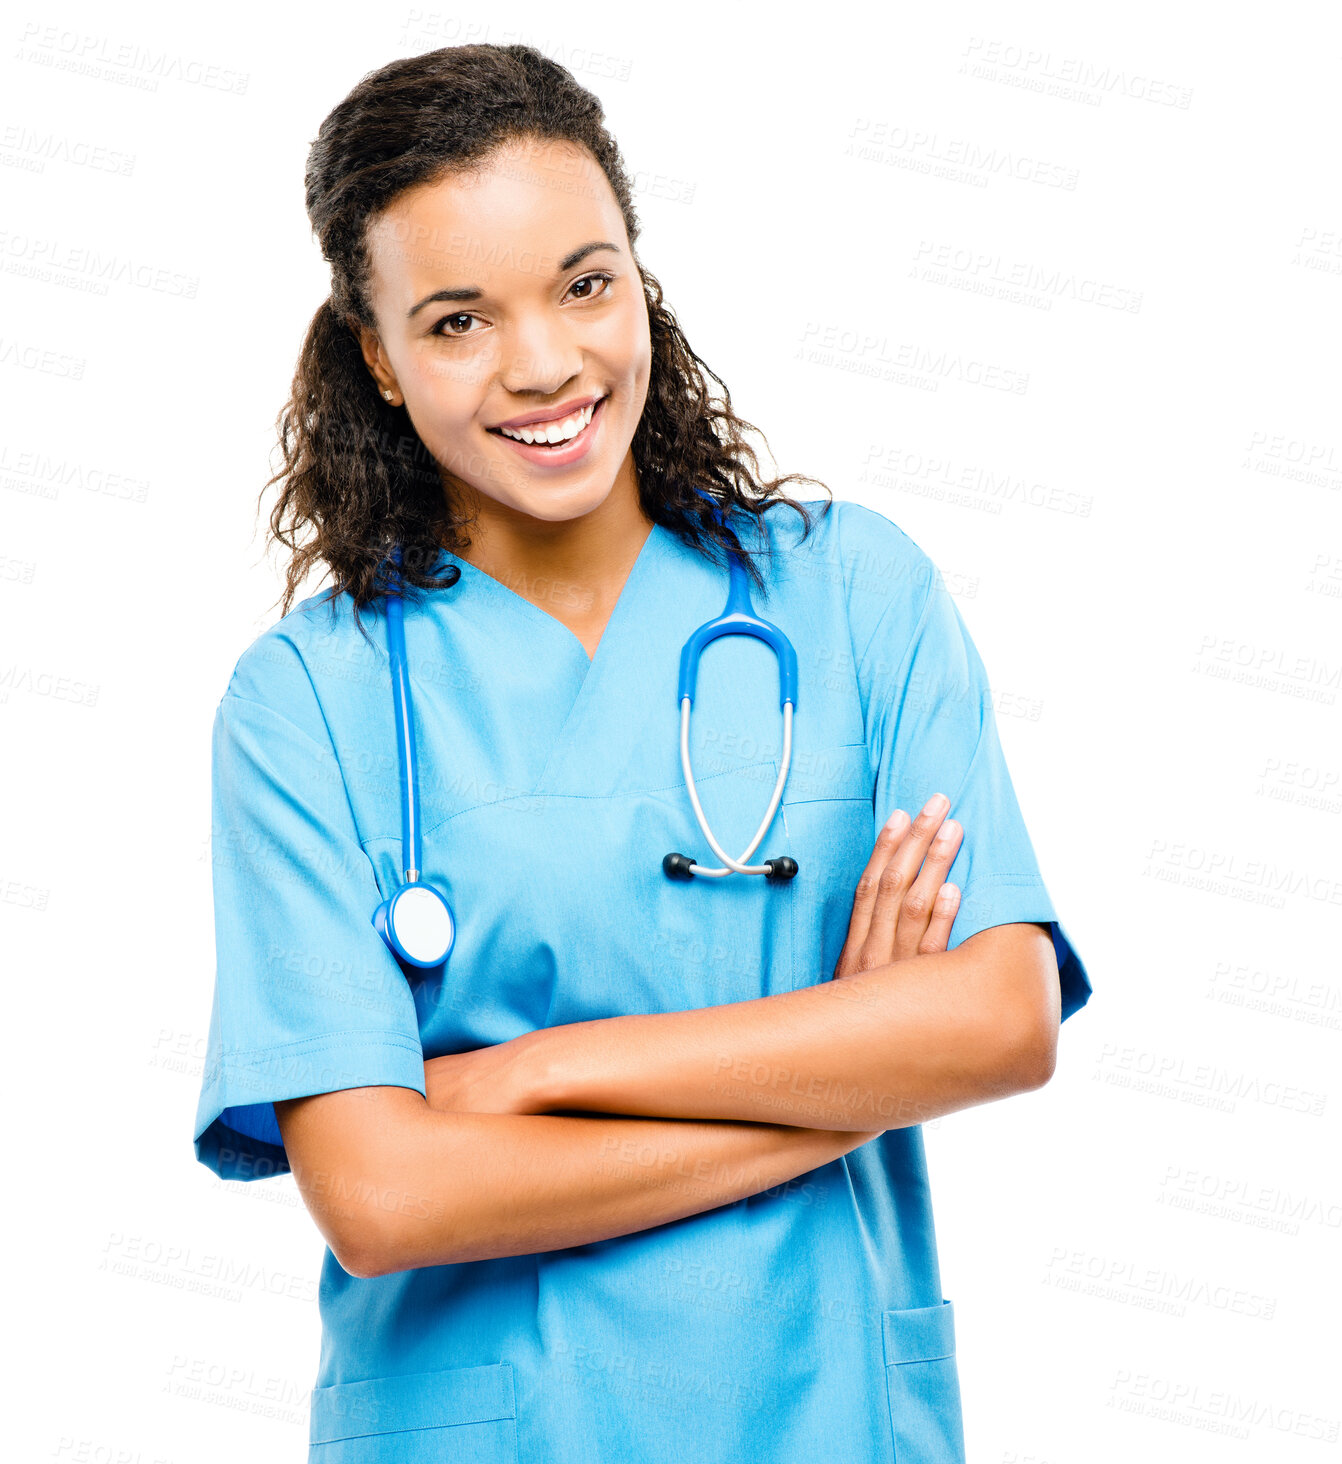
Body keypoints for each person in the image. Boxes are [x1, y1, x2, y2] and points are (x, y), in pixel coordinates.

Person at [192, 42, 1092, 1464]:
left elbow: (1000, 1022)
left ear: (638, 281)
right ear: (374, 357)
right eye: (455, 320)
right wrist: (846, 1087)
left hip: (825, 1416)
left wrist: (537, 1071)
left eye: (583, 282)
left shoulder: (854, 596)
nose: (544, 362)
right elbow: (384, 1202)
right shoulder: (308, 703)